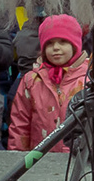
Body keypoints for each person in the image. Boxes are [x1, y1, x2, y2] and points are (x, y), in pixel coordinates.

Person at [7, 14, 88, 152]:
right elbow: (20, 125)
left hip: (78, 159)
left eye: (63, 42)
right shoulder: (31, 80)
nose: (55, 48)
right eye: (49, 43)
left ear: (75, 45)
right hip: (39, 158)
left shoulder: (89, 80)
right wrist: (18, 157)